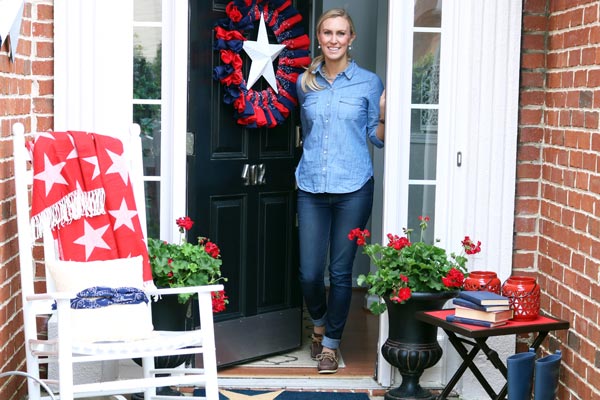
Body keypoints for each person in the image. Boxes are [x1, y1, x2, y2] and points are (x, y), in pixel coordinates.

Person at [295, 8, 386, 374]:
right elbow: (306, 132)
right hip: (312, 186)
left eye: (341, 33)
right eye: (328, 33)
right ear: (320, 37)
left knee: (341, 272)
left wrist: (383, 116)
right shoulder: (305, 83)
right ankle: (318, 324)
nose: (334, 39)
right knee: (310, 273)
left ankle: (330, 344)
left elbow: (375, 140)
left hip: (354, 187)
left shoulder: (368, 82)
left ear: (352, 39)